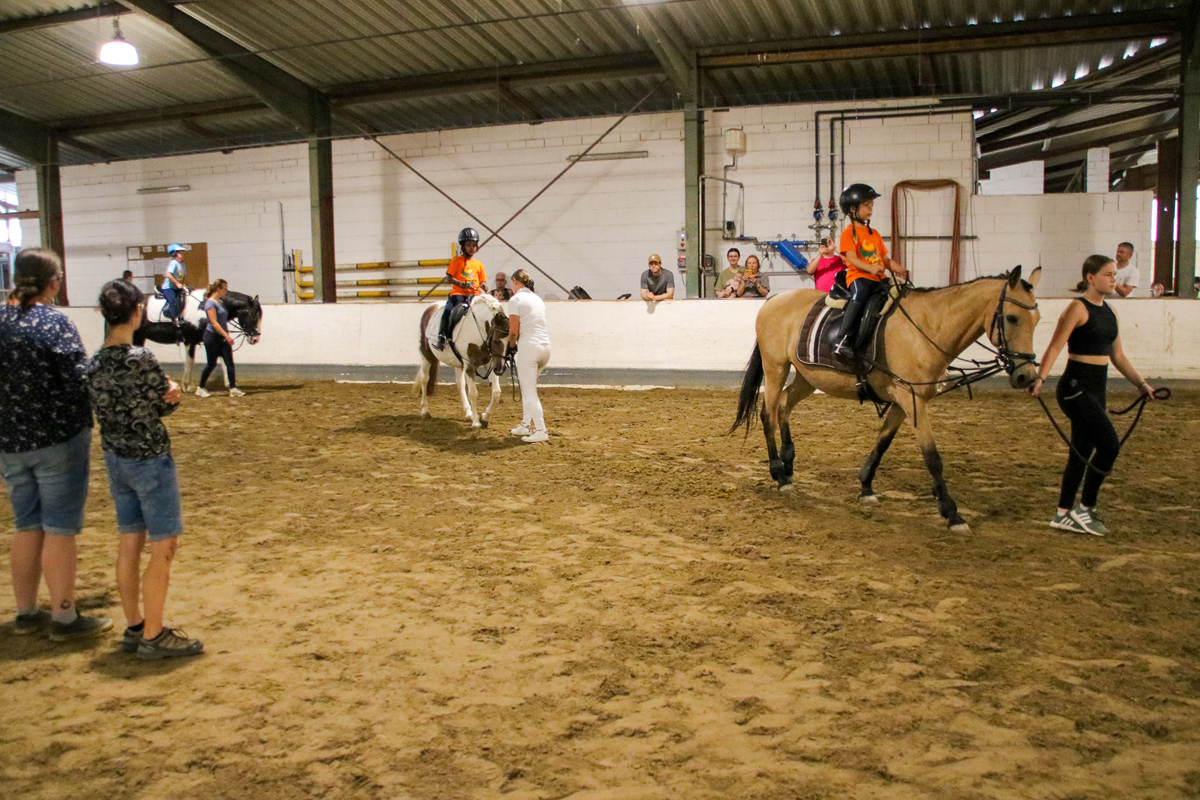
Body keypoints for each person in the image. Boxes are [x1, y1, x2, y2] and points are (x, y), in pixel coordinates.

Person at [1, 248, 113, 641]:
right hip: (57, 439)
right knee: (60, 529)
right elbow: (77, 379)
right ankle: (64, 616)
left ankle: (26, 611)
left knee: (26, 524)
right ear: (52, 282)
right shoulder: (53, 323)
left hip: (10, 441)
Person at [87, 280, 202, 660]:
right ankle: (154, 634)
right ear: (136, 312)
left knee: (129, 542)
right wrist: (173, 394)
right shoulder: (141, 359)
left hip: (115, 459)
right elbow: (163, 405)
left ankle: (135, 624)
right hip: (149, 459)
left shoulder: (94, 363)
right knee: (163, 546)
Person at [1027, 254, 1157, 536]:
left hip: (1098, 389)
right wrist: (1041, 379)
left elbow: (1118, 356)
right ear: (1090, 277)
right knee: (1109, 445)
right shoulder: (1076, 308)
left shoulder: (1110, 312)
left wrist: (1141, 385)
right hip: (1075, 387)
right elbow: (1054, 347)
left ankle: (1062, 513)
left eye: (1114, 274)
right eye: (1108, 274)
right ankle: (1086, 507)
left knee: (1081, 452)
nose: (1114, 279)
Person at [834, 183, 908, 358]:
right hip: (859, 277)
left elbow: (885, 259)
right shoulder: (848, 232)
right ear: (853, 209)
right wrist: (870, 268)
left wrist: (899, 268)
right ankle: (842, 340)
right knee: (859, 297)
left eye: (872, 205)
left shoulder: (873, 233)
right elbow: (851, 258)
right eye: (866, 205)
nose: (871, 209)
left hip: (879, 278)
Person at [508, 269, 551, 444]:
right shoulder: (537, 299)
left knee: (529, 392)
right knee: (528, 389)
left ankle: (541, 429)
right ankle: (526, 425)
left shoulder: (515, 299)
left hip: (529, 348)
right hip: (545, 348)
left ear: (516, 282)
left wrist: (511, 347)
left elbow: (513, 331)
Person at [436, 228, 488, 351]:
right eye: (468, 245)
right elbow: (449, 277)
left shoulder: (479, 264)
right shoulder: (456, 261)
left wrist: (484, 285)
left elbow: (482, 280)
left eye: (474, 245)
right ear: (463, 246)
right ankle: (442, 336)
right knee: (449, 309)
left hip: (475, 294)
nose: (471, 248)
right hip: (459, 293)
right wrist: (460, 283)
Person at [195, 279, 244, 398]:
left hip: (222, 337)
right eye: (224, 289)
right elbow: (214, 323)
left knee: (229, 363)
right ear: (218, 289)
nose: (226, 291)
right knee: (211, 364)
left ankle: (233, 388)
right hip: (212, 337)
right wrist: (227, 335)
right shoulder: (210, 303)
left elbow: (223, 321)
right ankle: (200, 387)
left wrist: (226, 334)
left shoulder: (220, 302)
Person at [160, 244, 187, 323]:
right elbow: (168, 274)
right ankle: (174, 320)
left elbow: (182, 276)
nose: (182, 255)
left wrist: (182, 284)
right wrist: (177, 283)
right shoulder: (173, 263)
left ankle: (181, 316)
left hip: (176, 287)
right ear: (174, 254)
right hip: (168, 288)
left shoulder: (182, 264)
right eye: (180, 253)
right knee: (173, 301)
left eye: (182, 253)